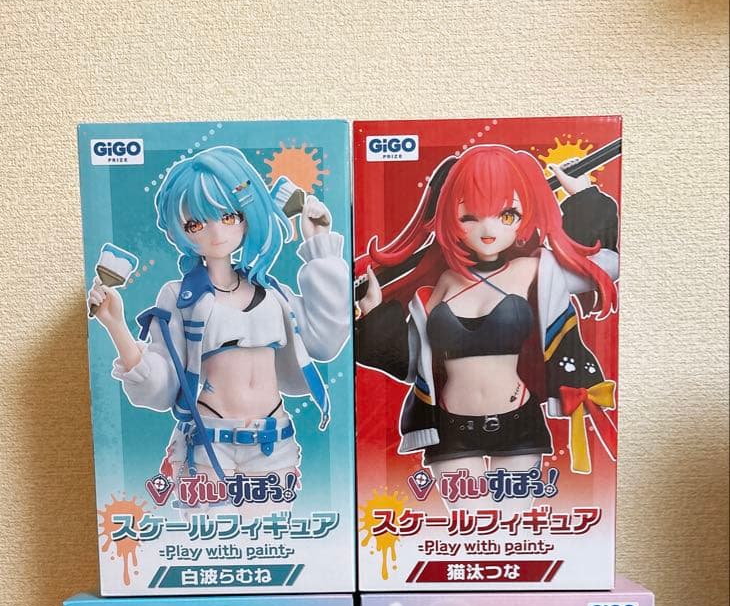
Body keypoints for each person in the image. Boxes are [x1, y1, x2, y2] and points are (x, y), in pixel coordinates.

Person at [87, 145, 350, 489]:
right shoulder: (180, 296)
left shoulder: (273, 293)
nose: (216, 233)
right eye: (195, 223)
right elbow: (162, 383)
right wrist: (115, 324)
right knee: (209, 523)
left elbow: (326, 339)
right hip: (207, 441)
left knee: (274, 524)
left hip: (273, 440)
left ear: (248, 214)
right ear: (179, 230)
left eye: (228, 217)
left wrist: (320, 245)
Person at [356, 144, 619, 480]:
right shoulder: (442, 283)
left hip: (518, 420)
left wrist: (584, 197)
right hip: (449, 427)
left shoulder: (535, 270)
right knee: (465, 514)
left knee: (512, 514)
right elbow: (410, 363)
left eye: (507, 216)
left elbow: (604, 266)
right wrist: (373, 314)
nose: (488, 230)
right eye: (469, 217)